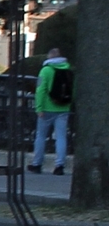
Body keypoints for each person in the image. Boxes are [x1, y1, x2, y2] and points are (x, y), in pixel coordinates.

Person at [31, 47, 72, 175]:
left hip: (47, 109)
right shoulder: (68, 69)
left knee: (41, 136)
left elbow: (40, 90)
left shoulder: (46, 70)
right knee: (61, 137)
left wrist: (39, 107)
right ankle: (59, 165)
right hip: (63, 108)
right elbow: (73, 89)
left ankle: (37, 164)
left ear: (50, 56)